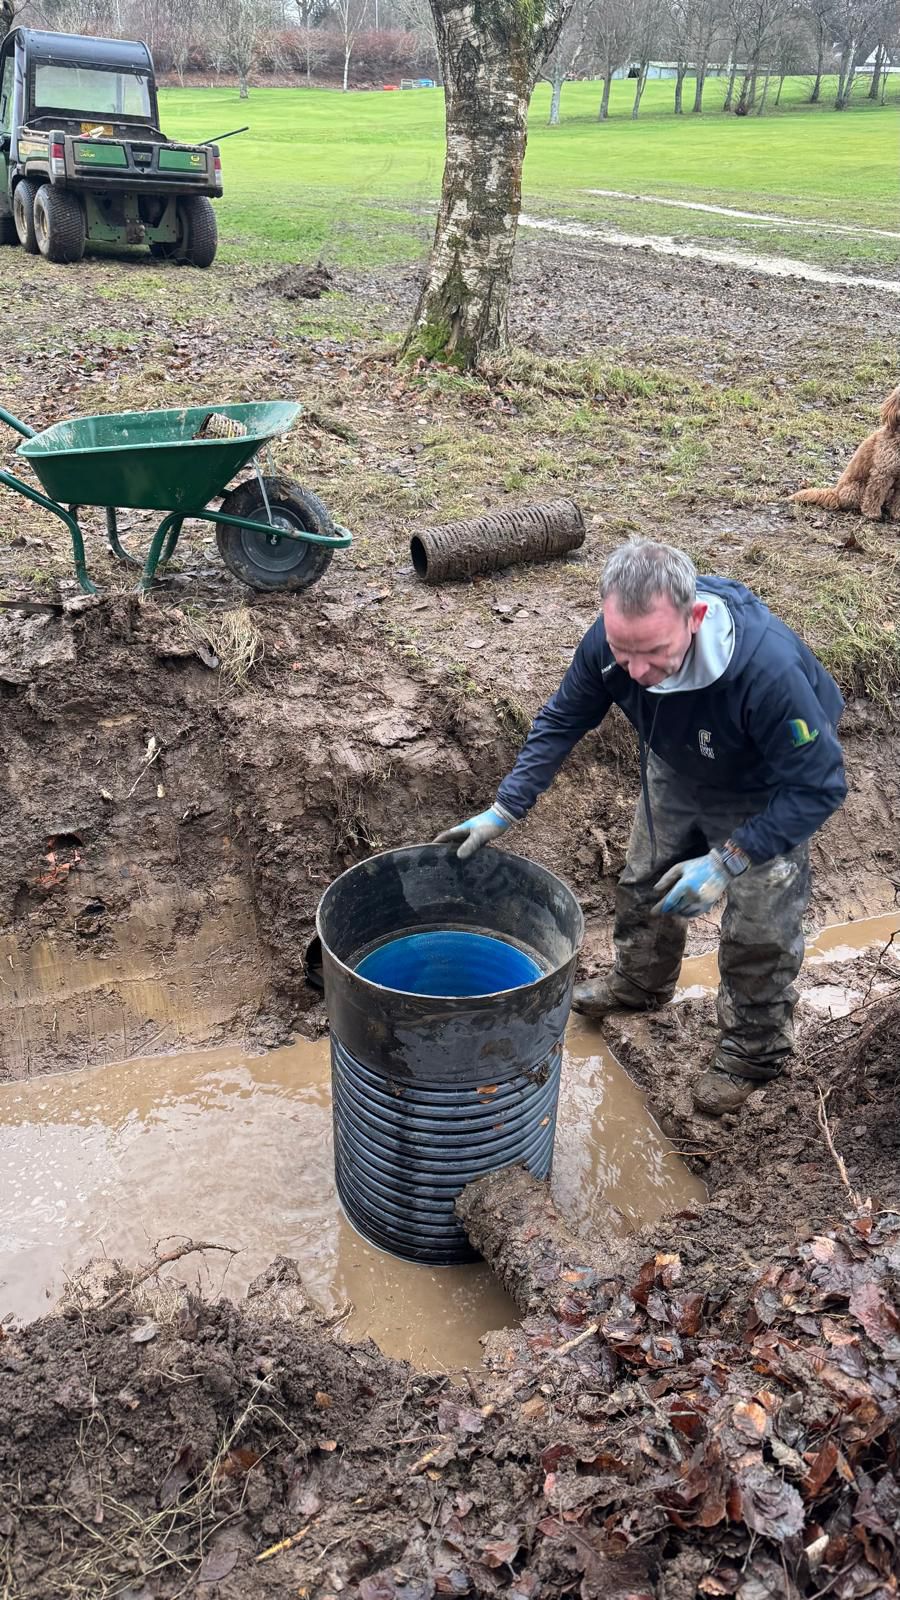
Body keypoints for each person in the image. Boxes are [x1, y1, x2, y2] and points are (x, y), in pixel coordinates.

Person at [437, 540, 847, 1116]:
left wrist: (728, 859)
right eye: (622, 651)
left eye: (653, 653)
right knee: (643, 881)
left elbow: (821, 785)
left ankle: (752, 1052)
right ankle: (641, 984)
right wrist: (505, 809)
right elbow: (562, 719)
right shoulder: (612, 646)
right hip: (677, 761)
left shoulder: (768, 671)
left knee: (759, 929)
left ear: (695, 617)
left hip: (767, 786)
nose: (635, 672)